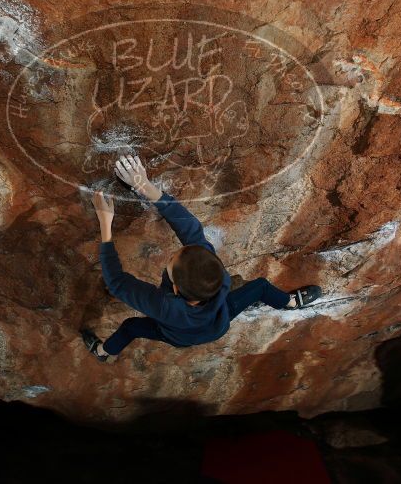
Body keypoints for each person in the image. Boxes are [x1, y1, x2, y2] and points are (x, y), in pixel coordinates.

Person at [81, 154, 322, 362]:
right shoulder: (215, 273)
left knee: (130, 327)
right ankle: (290, 303)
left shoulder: (165, 306)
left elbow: (117, 282)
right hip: (217, 324)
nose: (178, 251)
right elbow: (190, 229)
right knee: (259, 287)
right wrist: (144, 185)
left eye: (172, 260)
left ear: (174, 288)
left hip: (176, 334)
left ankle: (102, 352)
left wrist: (105, 225)